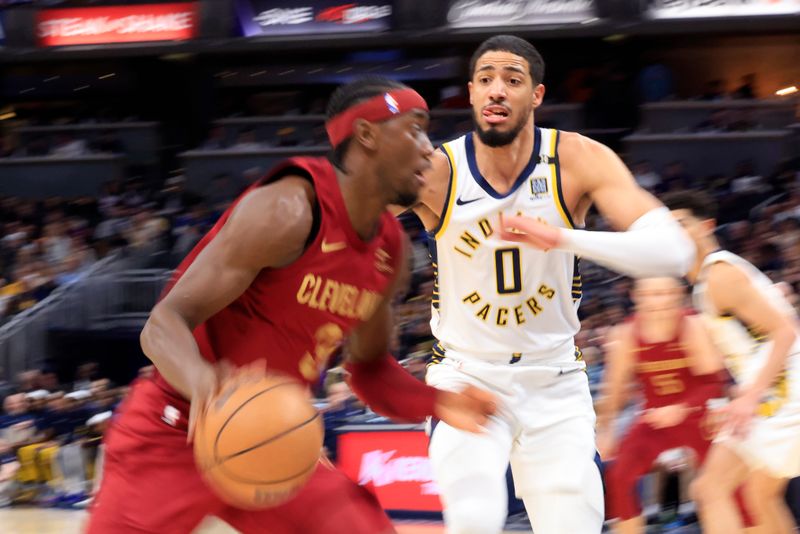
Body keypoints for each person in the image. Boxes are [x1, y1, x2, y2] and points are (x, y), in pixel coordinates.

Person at [86, 76, 496, 534]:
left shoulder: (390, 251)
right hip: (174, 429)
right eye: (416, 129)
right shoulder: (289, 209)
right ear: (367, 134)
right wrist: (209, 389)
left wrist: (440, 403)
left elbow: (370, 371)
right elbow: (162, 324)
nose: (430, 149)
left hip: (272, 436)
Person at [405, 35, 694, 533]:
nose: (498, 90)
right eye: (486, 80)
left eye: (512, 80)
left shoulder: (577, 158)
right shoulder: (436, 170)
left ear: (536, 95)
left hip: (554, 377)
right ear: (471, 93)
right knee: (473, 518)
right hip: (465, 373)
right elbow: (343, 224)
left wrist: (561, 237)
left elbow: (675, 252)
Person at [666, 191, 800, 534]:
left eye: (682, 223)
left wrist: (750, 397)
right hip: (775, 388)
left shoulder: (719, 275)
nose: (674, 232)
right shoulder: (704, 283)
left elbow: (785, 332)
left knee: (711, 490)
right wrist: (735, 397)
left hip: (788, 391)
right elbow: (754, 347)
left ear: (707, 226)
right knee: (759, 495)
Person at [597, 277, 741, 533]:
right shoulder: (626, 333)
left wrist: (681, 409)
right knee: (619, 477)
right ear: (636, 297)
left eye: (665, 293)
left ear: (677, 295)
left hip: (699, 415)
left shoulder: (692, 325)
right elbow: (615, 389)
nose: (659, 301)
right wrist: (606, 431)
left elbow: (714, 383)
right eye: (652, 294)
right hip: (655, 418)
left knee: (725, 485)